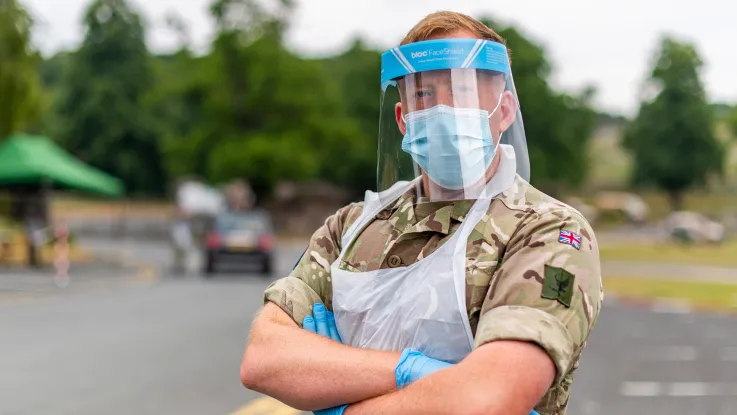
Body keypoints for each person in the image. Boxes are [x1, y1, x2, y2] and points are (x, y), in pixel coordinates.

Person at [240, 11, 603, 415]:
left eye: (462, 91)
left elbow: (491, 396)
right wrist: (410, 372)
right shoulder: (351, 228)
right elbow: (265, 358)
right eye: (424, 96)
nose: (442, 110)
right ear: (402, 120)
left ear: (504, 111)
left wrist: (343, 394)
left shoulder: (547, 230)